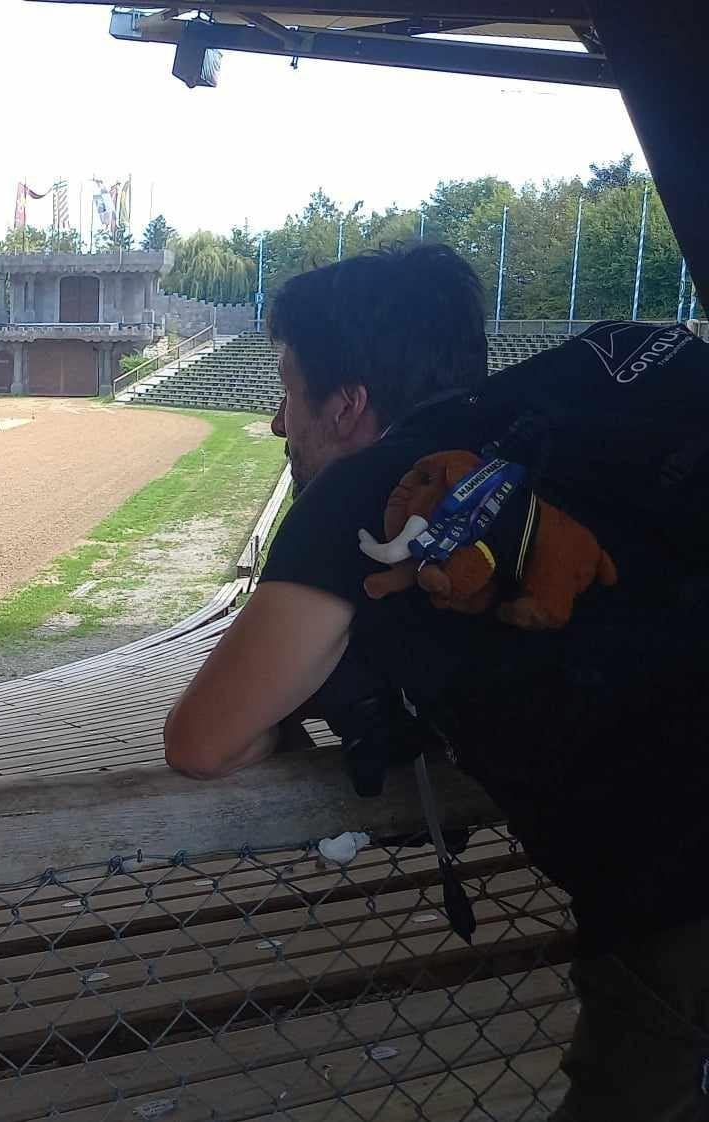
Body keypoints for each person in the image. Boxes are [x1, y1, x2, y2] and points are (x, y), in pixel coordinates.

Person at [162, 243, 709, 1121]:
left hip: (681, 897)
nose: (276, 423)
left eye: (289, 392)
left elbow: (202, 740)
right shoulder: (616, 362)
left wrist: (306, 694)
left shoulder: (360, 498)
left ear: (347, 404)